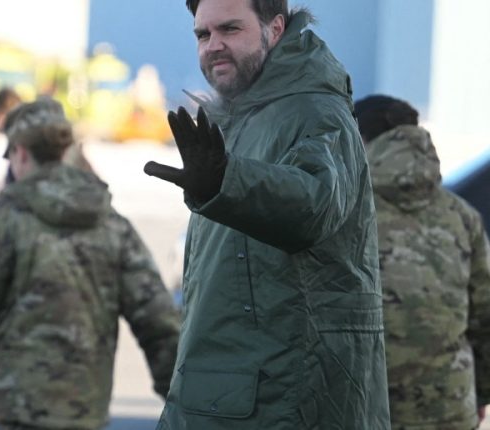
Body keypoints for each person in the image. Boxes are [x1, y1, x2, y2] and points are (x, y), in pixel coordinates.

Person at [143, 0, 390, 428]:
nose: (213, 46)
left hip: (280, 401)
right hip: (230, 398)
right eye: (203, 35)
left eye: (230, 30)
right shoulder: (248, 114)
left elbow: (315, 203)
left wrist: (228, 184)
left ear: (275, 29)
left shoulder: (312, 111)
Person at [0, 98, 181, 430]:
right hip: (86, 409)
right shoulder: (111, 223)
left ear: (21, 153)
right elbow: (157, 316)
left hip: (19, 407)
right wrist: (174, 390)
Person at [356, 95, 490, 430]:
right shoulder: (462, 216)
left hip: (365, 409)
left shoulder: (345, 213)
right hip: (449, 409)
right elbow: (485, 318)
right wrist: (480, 396)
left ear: (360, 140)